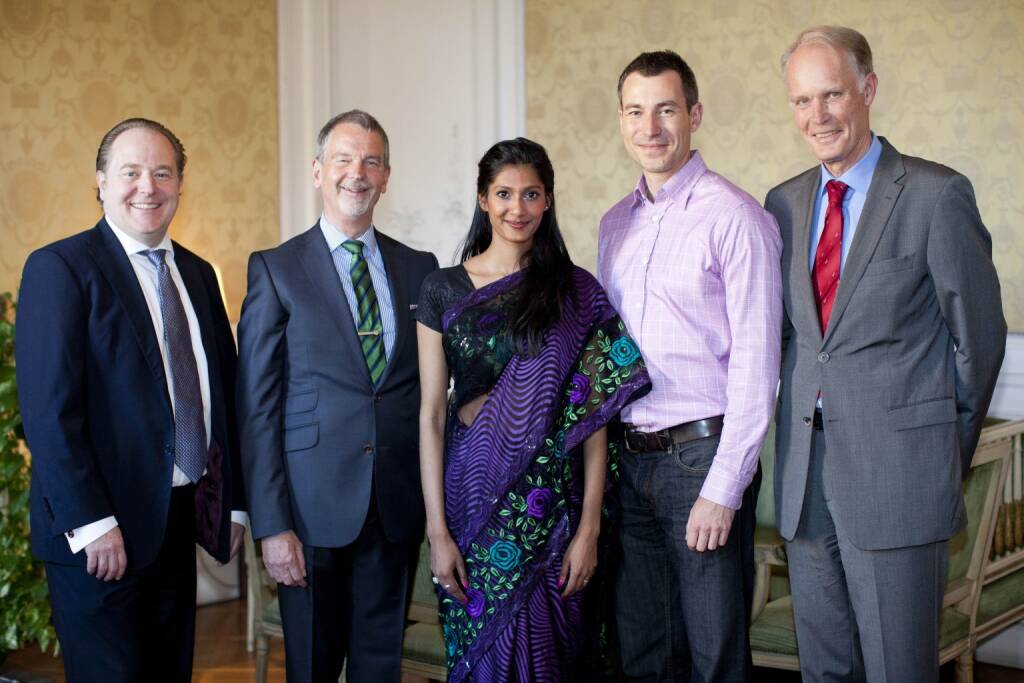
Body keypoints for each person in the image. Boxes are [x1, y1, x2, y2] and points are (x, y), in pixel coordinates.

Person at [765, 26, 1006, 681]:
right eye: (801, 101)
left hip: (901, 482)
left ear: (868, 89)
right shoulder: (782, 205)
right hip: (807, 485)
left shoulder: (935, 195)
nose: (817, 117)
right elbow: (795, 343)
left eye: (832, 94)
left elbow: (978, 343)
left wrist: (932, 455)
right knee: (825, 672)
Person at [15, 117, 246, 681]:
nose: (148, 186)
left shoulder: (196, 273)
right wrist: (93, 523)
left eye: (162, 173)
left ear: (180, 186)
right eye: (131, 172)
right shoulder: (60, 268)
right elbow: (50, 412)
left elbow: (228, 396)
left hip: (176, 521)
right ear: (99, 181)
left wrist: (232, 502)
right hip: (100, 532)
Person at [417, 137, 650, 682]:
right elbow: (430, 415)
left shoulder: (576, 292)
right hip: (471, 502)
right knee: (483, 656)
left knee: (553, 655)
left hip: (555, 506)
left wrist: (588, 527)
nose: (516, 208)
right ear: (482, 199)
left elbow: (594, 420)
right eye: (503, 193)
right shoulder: (442, 289)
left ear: (547, 201)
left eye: (530, 194)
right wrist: (438, 533)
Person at [599, 51, 782, 681]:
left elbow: (759, 367)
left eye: (666, 109)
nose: (650, 127)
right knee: (645, 652)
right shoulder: (613, 225)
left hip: (701, 462)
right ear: (621, 121)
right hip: (630, 461)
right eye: (635, 111)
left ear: (695, 115)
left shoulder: (735, 217)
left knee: (714, 656)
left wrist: (724, 488)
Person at [237, 109, 438, 682]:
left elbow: (425, 388)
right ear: (319, 171)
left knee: (380, 668)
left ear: (387, 176)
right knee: (313, 668)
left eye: (371, 161)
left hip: (393, 506)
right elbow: (257, 408)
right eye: (345, 160)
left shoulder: (417, 268)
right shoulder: (276, 269)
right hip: (308, 511)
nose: (358, 173)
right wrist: (273, 526)